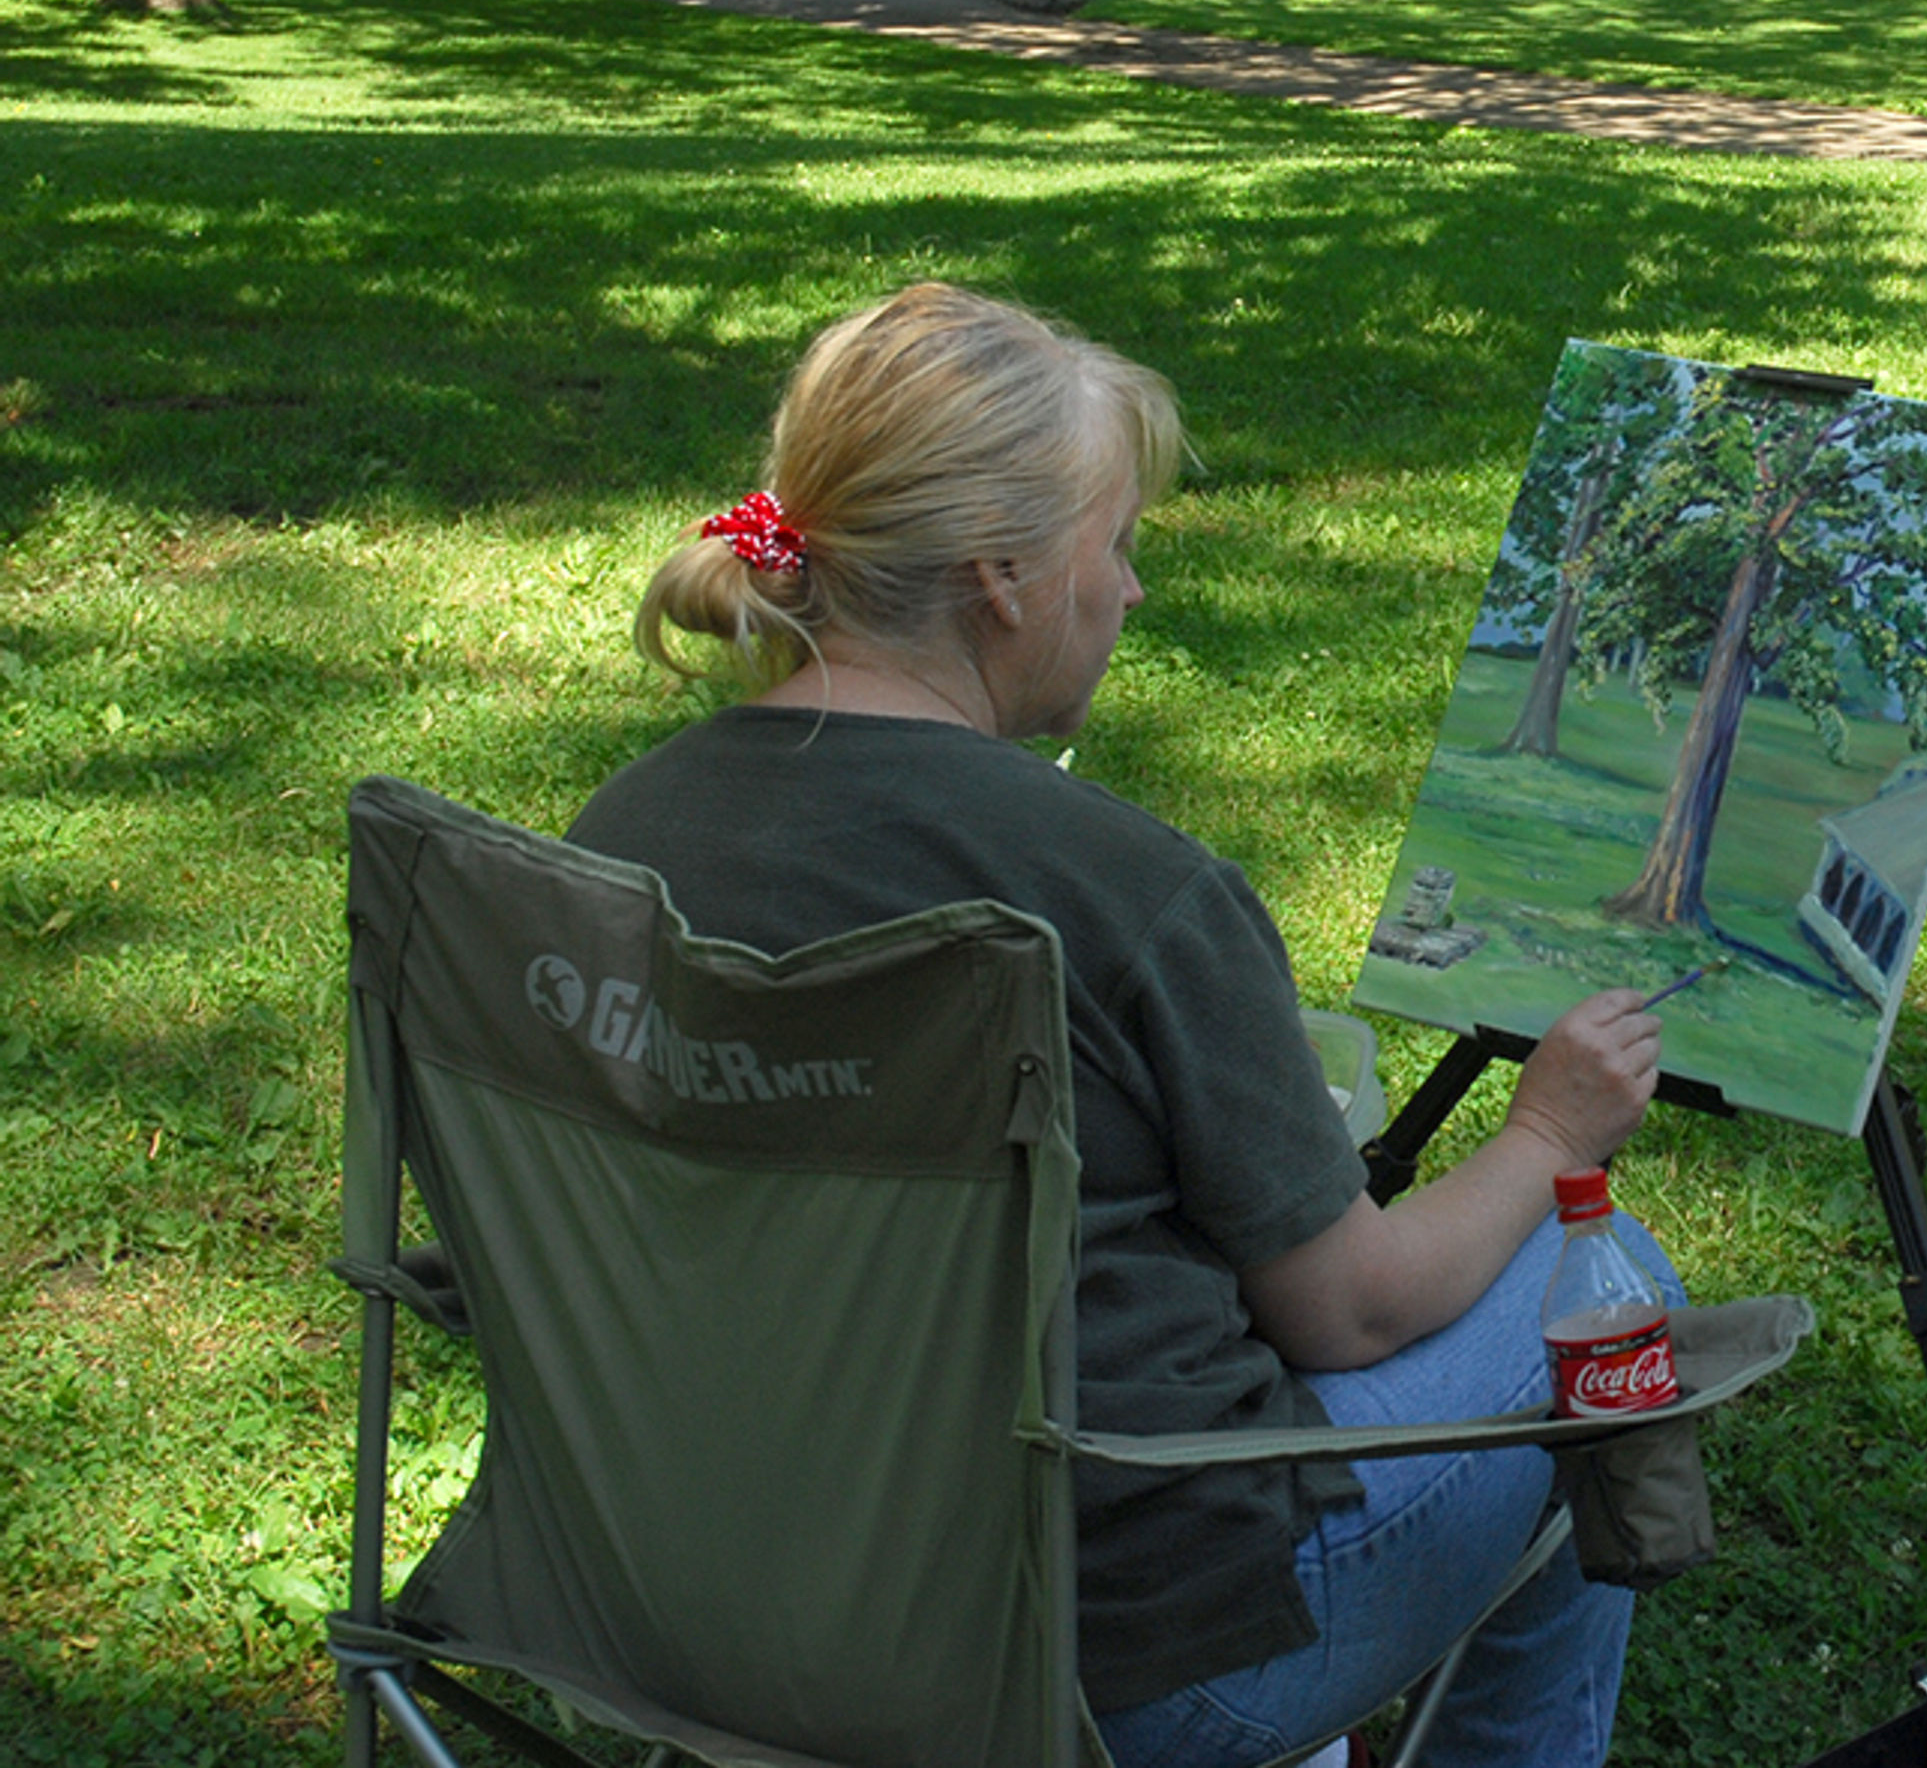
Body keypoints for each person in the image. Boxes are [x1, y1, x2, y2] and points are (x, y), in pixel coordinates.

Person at [569, 282, 1667, 1768]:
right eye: (1121, 543)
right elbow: (1354, 1312)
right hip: (1118, 1667)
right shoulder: (1122, 887)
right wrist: (1547, 1129)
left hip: (704, 1602)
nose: (1135, 591)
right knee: (1594, 1281)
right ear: (1004, 576)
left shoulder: (620, 837)